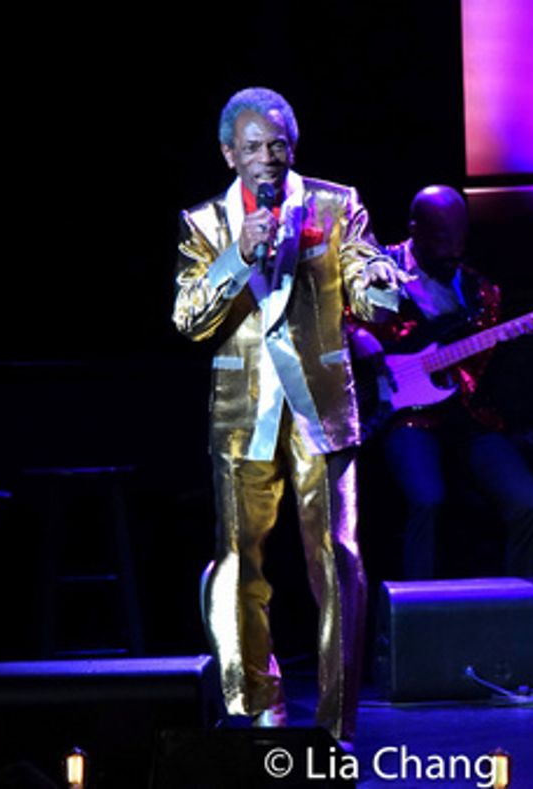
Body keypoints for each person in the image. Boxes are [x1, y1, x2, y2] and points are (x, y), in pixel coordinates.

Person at [172, 87, 406, 744]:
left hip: (321, 410)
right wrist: (235, 255)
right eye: (252, 148)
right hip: (243, 413)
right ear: (229, 154)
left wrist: (381, 288)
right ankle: (254, 708)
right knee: (238, 562)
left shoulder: (336, 204)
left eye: (277, 146)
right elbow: (188, 320)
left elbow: (366, 278)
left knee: (337, 558)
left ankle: (337, 724)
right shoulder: (205, 224)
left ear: (291, 147)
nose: (267, 158)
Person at [350, 185, 533, 580]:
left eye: (459, 238)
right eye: (441, 238)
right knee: (427, 498)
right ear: (414, 228)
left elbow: (487, 368)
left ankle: (518, 613)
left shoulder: (482, 291)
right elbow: (329, 314)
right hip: (402, 413)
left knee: (529, 502)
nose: (452, 250)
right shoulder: (377, 266)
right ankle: (417, 620)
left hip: (468, 415)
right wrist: (355, 335)